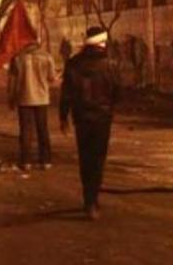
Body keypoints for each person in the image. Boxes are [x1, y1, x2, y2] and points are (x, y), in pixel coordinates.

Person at [60, 26, 123, 220]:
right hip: (102, 119)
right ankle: (93, 199)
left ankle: (89, 200)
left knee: (85, 158)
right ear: (102, 43)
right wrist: (110, 108)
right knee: (98, 158)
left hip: (81, 118)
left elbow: (66, 94)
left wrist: (64, 117)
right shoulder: (111, 64)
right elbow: (118, 93)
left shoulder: (73, 63)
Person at [8, 41, 56, 170]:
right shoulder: (47, 57)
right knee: (43, 130)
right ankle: (45, 161)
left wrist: (11, 99)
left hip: (24, 98)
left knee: (26, 131)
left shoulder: (18, 58)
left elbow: (12, 81)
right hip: (41, 99)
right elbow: (52, 78)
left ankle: (26, 161)